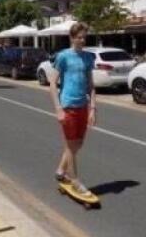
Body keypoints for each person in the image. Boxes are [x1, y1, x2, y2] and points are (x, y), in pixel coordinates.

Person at [49, 22, 96, 197]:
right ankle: (75, 180)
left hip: (82, 106)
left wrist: (93, 108)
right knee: (71, 144)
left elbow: (91, 85)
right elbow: (53, 83)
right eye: (79, 37)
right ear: (72, 38)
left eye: (84, 37)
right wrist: (58, 108)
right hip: (67, 105)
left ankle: (61, 170)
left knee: (78, 144)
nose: (82, 40)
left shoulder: (88, 58)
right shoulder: (63, 57)